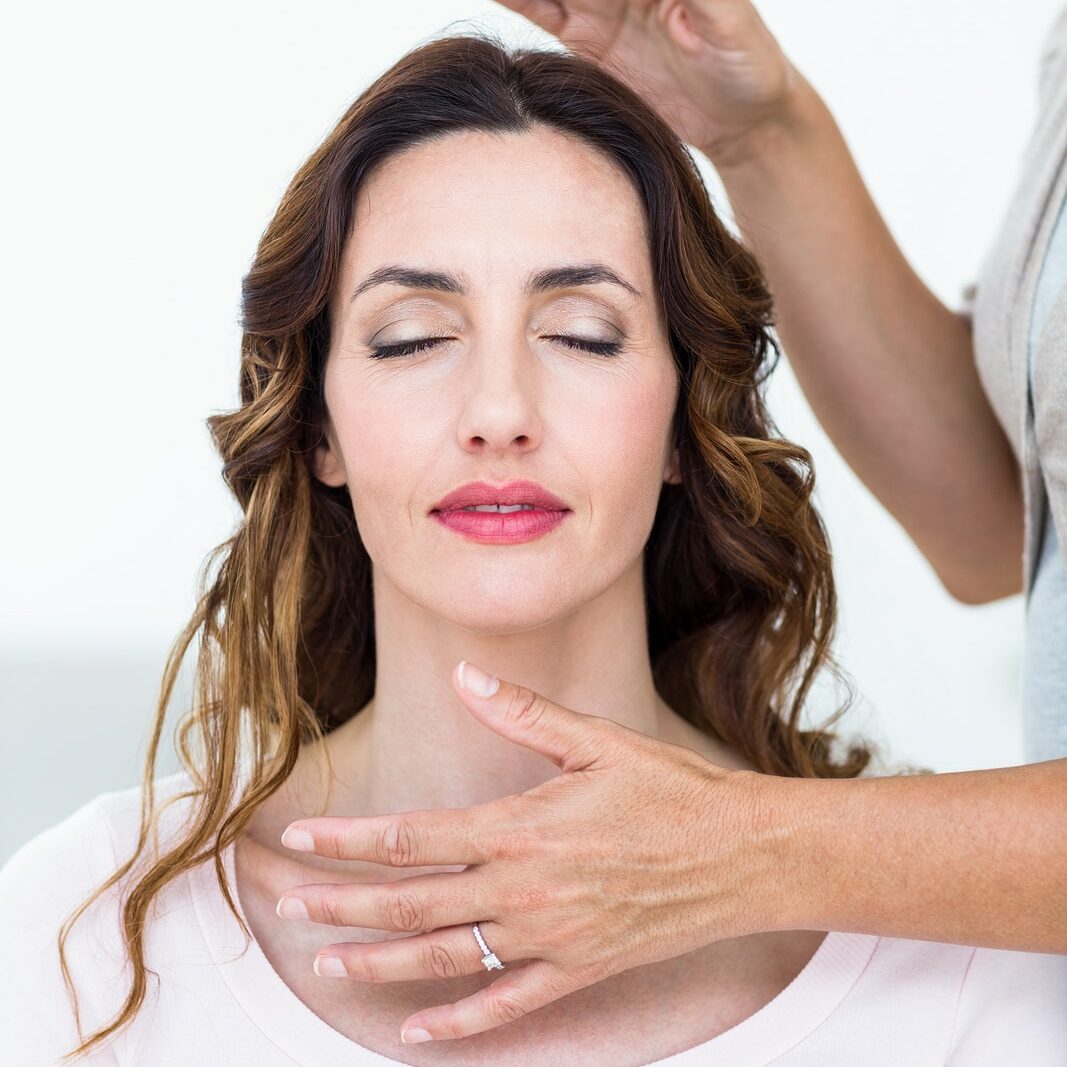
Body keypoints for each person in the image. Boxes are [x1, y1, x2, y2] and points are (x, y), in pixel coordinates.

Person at [2, 21, 1065, 1066]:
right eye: (412, 336)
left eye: (582, 335)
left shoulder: (960, 981)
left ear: (682, 425)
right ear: (318, 426)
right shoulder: (82, 940)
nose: (499, 409)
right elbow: (989, 517)